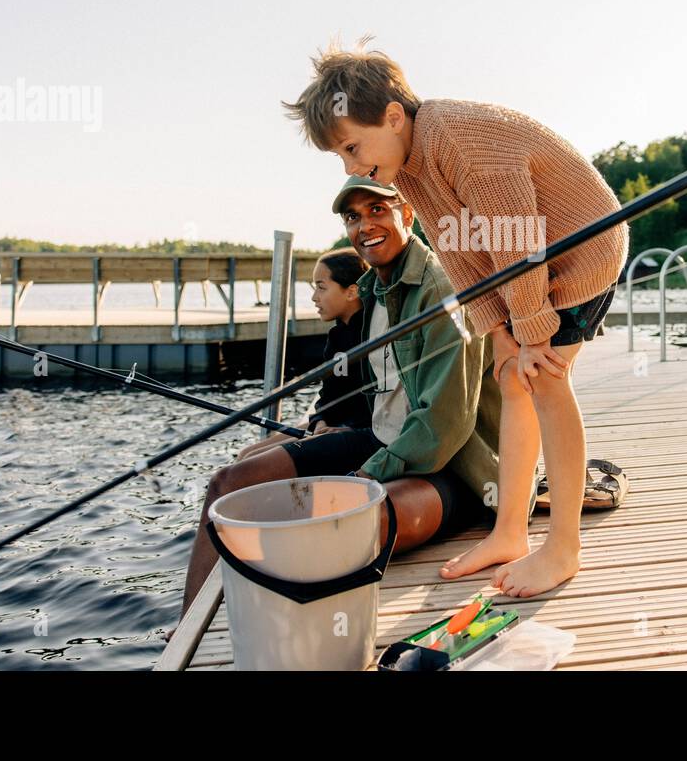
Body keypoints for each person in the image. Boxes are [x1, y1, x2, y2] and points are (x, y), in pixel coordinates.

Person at [285, 42, 629, 598]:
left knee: (544, 381)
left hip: (579, 251)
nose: (351, 167)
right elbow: (462, 252)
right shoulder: (407, 167)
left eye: (352, 148)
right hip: (523, 259)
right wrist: (497, 329)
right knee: (510, 380)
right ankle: (510, 532)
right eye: (341, 158)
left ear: (393, 116)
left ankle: (564, 547)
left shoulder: (462, 140)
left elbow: (515, 238)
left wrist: (533, 331)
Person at [179, 179, 504, 616]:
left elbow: (444, 425)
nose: (365, 224)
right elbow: (375, 390)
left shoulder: (442, 289)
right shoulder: (372, 292)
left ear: (406, 215)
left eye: (377, 210)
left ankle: (294, 629)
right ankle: (189, 627)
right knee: (229, 483)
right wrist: (329, 430)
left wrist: (360, 477)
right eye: (353, 216)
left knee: (354, 522)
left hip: (450, 464)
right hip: (379, 440)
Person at [233, 247, 372, 463]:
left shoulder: (371, 334)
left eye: (321, 288)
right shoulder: (337, 336)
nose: (314, 297)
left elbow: (375, 401)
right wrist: (320, 421)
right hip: (328, 425)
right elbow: (328, 394)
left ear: (351, 292)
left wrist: (344, 427)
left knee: (253, 463)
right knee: (245, 455)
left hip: (353, 431)